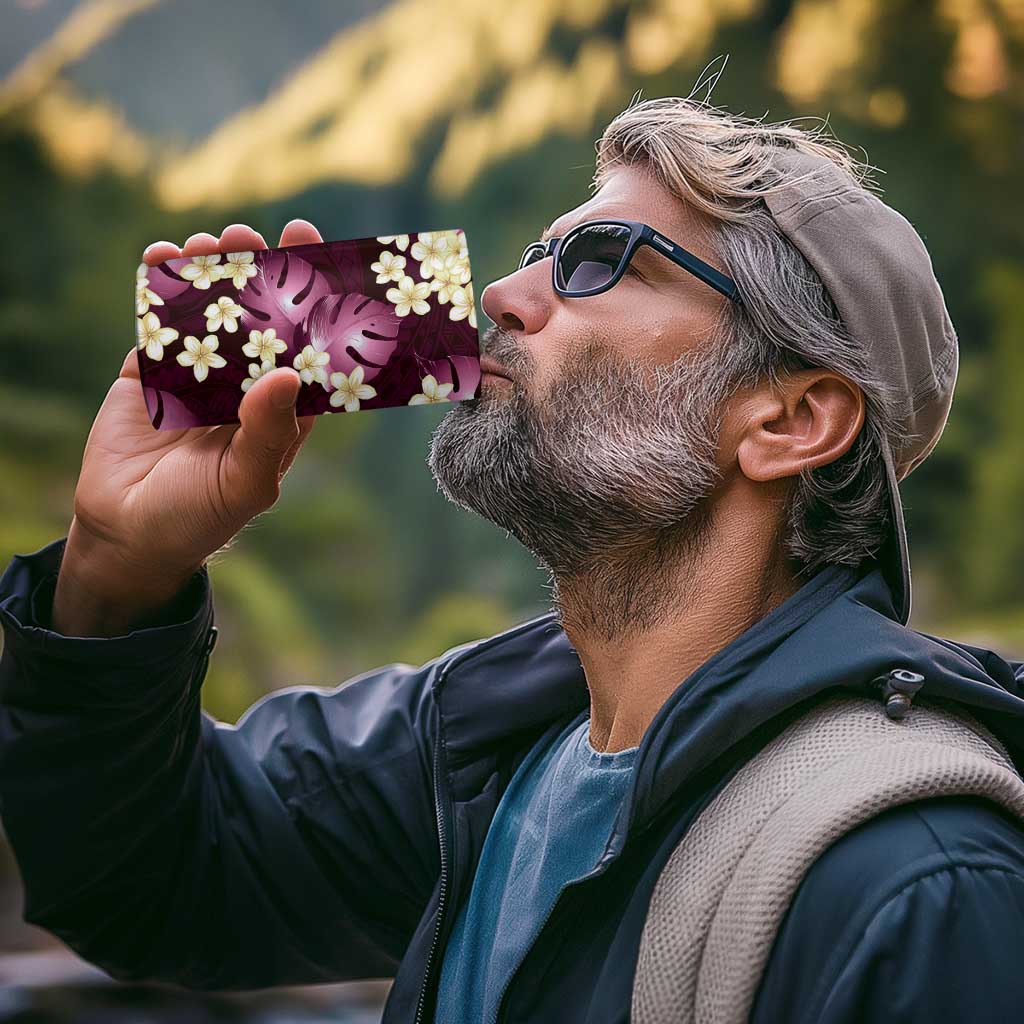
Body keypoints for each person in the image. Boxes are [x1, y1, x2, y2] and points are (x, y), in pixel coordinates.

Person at [2, 94, 1024, 1024]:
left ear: (790, 419)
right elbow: (149, 880)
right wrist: (115, 572)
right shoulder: (480, 748)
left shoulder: (918, 884)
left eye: (599, 261)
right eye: (540, 252)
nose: (501, 292)